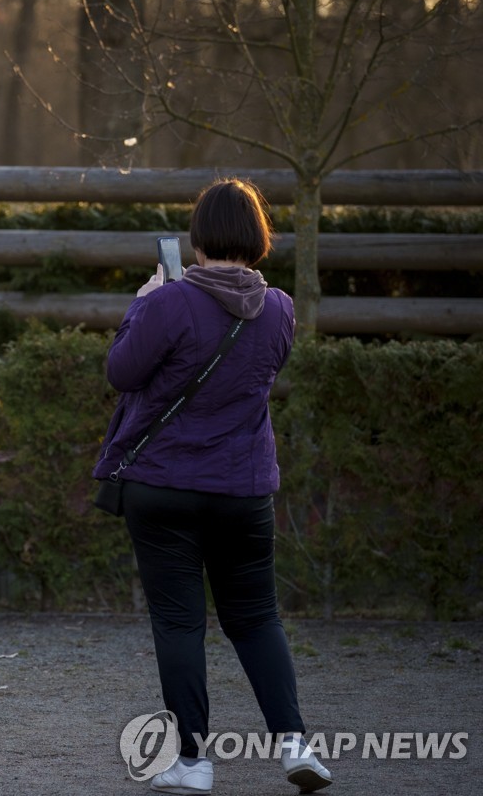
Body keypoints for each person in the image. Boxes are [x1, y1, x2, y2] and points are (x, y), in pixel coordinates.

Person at [94, 179, 333, 794]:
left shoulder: (169, 302)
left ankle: (194, 763)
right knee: (257, 617)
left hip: (163, 485)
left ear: (197, 239)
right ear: (257, 238)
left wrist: (144, 300)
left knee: (179, 623)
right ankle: (295, 744)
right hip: (244, 487)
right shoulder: (280, 307)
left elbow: (122, 372)